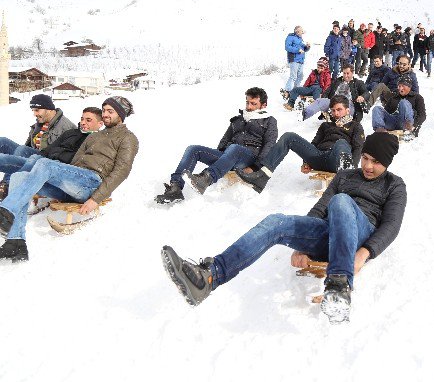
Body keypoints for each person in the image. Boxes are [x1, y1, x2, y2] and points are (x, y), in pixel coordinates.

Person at [161, 132, 406, 324]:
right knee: (275, 221)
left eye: (376, 162)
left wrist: (363, 254)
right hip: (329, 231)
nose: (368, 165)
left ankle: (339, 288)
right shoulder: (345, 177)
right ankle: (211, 275)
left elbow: (392, 226)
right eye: (365, 158)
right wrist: (303, 246)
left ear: (387, 163)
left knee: (341, 201)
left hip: (361, 233)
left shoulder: (394, 185)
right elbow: (320, 209)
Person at [0, 97, 139, 262]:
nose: (106, 114)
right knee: (19, 176)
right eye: (104, 111)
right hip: (74, 182)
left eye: (111, 111)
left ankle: (6, 210)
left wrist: (96, 199)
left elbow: (122, 171)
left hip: (92, 182)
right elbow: (75, 162)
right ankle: (16, 242)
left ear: (121, 115)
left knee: (45, 164)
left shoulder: (128, 138)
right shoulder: (93, 137)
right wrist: (56, 173)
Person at [155, 88, 278, 203]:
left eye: (253, 103)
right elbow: (224, 141)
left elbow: (270, 145)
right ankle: (175, 188)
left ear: (263, 105)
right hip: (229, 155)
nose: (249, 107)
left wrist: (256, 167)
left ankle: (206, 179)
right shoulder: (237, 120)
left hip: (249, 159)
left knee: (235, 148)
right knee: (193, 149)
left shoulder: (269, 121)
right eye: (247, 103)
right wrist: (222, 159)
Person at [235, 96, 365, 193]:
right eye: (333, 110)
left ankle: (347, 181)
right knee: (289, 136)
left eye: (339, 110)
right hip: (319, 157)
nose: (336, 113)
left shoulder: (355, 126)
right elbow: (313, 144)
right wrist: (306, 162)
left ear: (347, 110)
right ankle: (262, 176)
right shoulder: (325, 125)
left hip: (337, 159)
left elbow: (358, 148)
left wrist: (353, 170)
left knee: (341, 143)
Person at [0, 107, 104, 195]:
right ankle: (9, 184)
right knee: (25, 152)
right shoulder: (71, 132)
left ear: (100, 124)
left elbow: (76, 160)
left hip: (58, 167)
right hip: (46, 159)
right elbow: (49, 149)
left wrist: (50, 157)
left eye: (88, 120)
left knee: (36, 160)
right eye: (82, 119)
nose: (83, 122)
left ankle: (10, 186)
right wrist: (40, 156)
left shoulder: (96, 140)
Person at [0, 94, 77, 198]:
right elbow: (29, 144)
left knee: (22, 150)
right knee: (3, 141)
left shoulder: (66, 127)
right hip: (30, 155)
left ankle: (7, 186)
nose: (34, 114)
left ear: (48, 109)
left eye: (37, 110)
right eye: (33, 110)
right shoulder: (40, 122)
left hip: (46, 160)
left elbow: (65, 155)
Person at [301, 64, 368, 122]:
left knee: (342, 107)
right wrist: (323, 101)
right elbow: (327, 91)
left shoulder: (358, 83)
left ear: (352, 73)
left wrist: (362, 96)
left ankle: (340, 119)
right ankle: (305, 114)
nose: (345, 75)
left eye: (348, 73)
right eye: (344, 73)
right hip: (334, 102)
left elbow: (366, 93)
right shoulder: (337, 81)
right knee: (319, 101)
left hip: (348, 105)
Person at [283, 26, 311, 93]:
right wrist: (297, 50)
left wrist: (307, 47)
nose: (301, 32)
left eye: (301, 31)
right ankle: (287, 90)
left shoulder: (300, 39)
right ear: (296, 31)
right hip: (294, 59)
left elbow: (303, 49)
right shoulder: (290, 37)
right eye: (299, 31)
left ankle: (296, 89)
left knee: (300, 76)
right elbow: (287, 47)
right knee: (293, 76)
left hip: (301, 60)